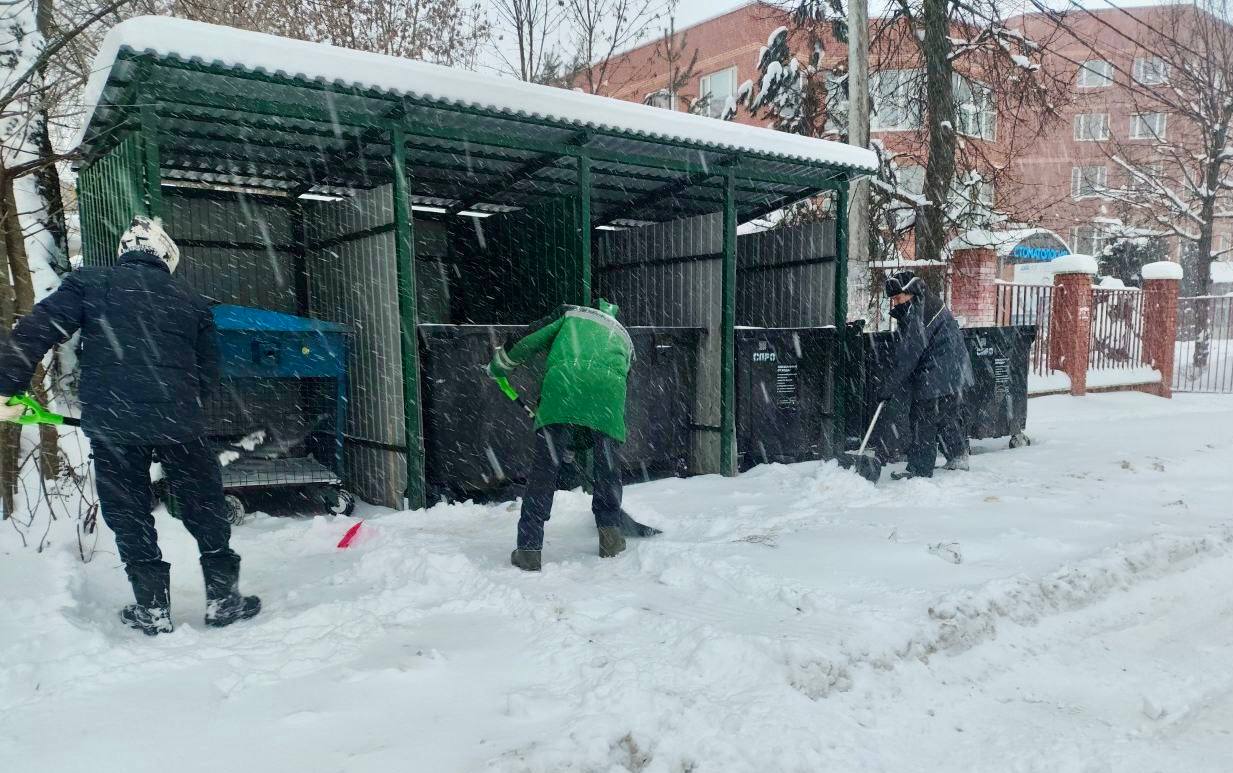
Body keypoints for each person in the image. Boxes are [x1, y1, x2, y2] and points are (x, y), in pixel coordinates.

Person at [0, 216, 260, 635]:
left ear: (125, 253)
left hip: (115, 423)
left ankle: (153, 610)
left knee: (129, 510)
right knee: (204, 503)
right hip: (181, 423)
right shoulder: (192, 301)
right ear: (166, 256)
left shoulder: (90, 284)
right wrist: (179, 405)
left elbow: (35, 331)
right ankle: (224, 600)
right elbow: (209, 375)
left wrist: (4, 387)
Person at [489, 299, 634, 572]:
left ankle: (529, 549)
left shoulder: (571, 315)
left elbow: (527, 341)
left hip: (563, 389)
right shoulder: (623, 336)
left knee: (544, 471)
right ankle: (611, 537)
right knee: (607, 467)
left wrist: (499, 366)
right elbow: (619, 382)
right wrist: (587, 437)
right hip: (608, 399)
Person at [878, 270, 974, 480]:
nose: (895, 303)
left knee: (922, 420)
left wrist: (888, 387)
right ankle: (958, 456)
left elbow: (910, 354)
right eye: (893, 299)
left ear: (910, 292)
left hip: (939, 372)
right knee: (945, 416)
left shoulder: (921, 312)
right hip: (953, 372)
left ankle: (919, 469)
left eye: (897, 298)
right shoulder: (926, 304)